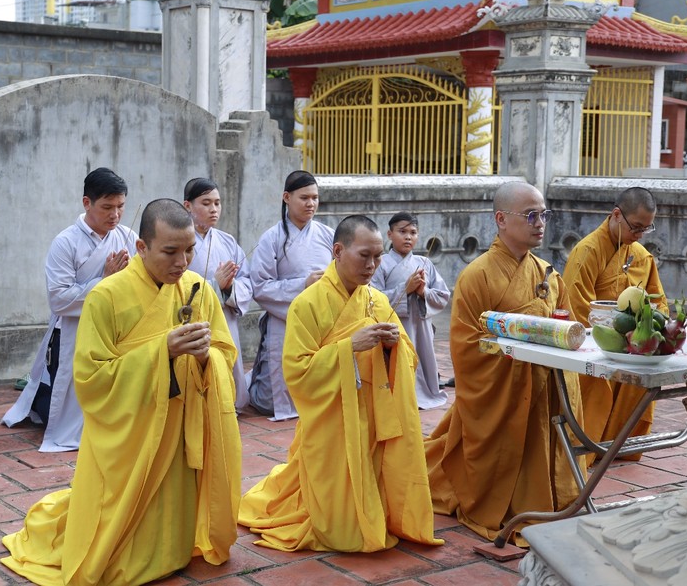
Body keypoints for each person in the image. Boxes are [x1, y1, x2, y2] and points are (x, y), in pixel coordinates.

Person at [1, 199, 242, 586]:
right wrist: (162, 350)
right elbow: (92, 379)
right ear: (142, 248)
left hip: (178, 422)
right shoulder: (107, 296)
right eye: (170, 252)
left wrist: (203, 358)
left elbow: (225, 357)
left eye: (189, 251)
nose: (182, 262)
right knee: (113, 520)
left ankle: (168, 552)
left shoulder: (199, 290)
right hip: (127, 432)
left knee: (171, 500)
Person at [239, 215, 442, 552]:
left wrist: (392, 345)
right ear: (338, 251)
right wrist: (350, 347)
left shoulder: (375, 300)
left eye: (378, 256)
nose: (373, 265)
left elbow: (408, 356)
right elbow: (297, 372)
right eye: (365, 256)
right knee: (338, 520)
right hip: (330, 420)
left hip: (371, 414)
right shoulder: (307, 303)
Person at [424, 181, 586, 546]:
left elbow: (568, 326)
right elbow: (467, 349)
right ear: (501, 219)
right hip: (502, 393)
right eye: (531, 215)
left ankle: (548, 501)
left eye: (544, 214)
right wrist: (519, 357)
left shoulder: (548, 274)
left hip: (543, 391)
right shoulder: (476, 276)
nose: (540, 222)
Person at [2, 168, 136, 452]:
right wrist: (105, 282)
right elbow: (59, 299)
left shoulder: (128, 237)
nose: (115, 215)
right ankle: (40, 402)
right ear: (87, 203)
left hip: (116, 330)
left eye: (121, 207)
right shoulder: (65, 242)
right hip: (73, 332)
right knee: (65, 402)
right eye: (107, 207)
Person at [562, 187, 668, 460]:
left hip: (631, 348)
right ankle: (589, 447)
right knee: (596, 389)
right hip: (596, 348)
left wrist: (648, 329)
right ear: (616, 215)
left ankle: (620, 446)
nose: (640, 234)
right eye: (636, 227)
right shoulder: (587, 251)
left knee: (644, 377)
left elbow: (660, 303)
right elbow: (578, 308)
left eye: (647, 228)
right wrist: (618, 333)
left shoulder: (642, 255)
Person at [247, 170, 334, 420]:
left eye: (315, 198)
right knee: (271, 398)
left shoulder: (328, 235)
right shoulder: (271, 238)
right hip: (283, 320)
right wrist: (302, 285)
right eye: (304, 198)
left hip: (320, 320)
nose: (311, 204)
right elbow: (260, 287)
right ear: (287, 197)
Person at [183, 177, 253, 410]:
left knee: (225, 362)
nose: (214, 209)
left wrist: (229, 288)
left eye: (217, 203)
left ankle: (227, 404)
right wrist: (215, 284)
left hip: (224, 317)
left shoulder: (227, 241)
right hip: (193, 321)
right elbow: (175, 285)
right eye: (206, 203)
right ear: (187, 206)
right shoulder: (180, 241)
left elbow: (247, 282)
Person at [372, 211, 450, 409]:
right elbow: (373, 297)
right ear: (389, 234)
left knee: (421, 358)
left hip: (420, 324)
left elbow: (442, 295)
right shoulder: (381, 263)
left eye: (413, 232)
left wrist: (423, 292)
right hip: (395, 325)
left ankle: (423, 393)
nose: (408, 237)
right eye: (402, 231)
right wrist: (404, 290)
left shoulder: (425, 263)